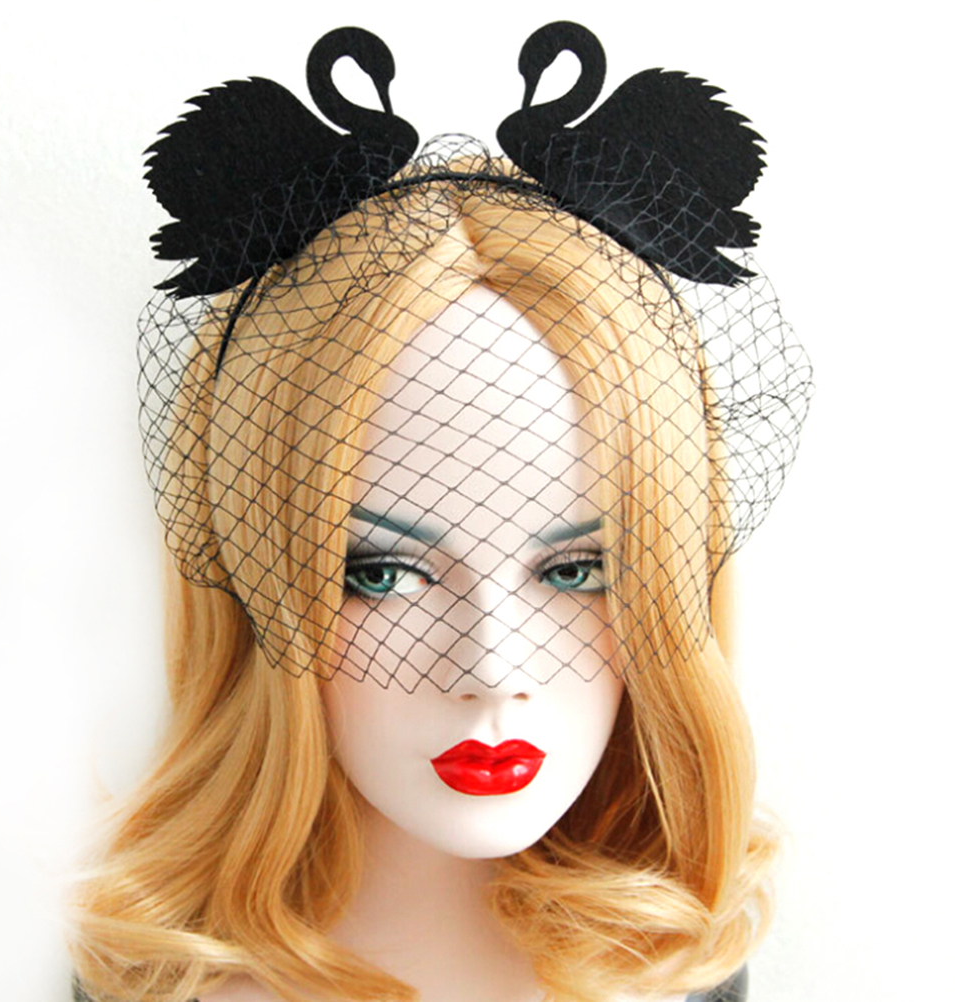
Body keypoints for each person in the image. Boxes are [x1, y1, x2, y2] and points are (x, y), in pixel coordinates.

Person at [70, 171, 780, 1001]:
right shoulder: (147, 982)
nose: (491, 670)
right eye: (382, 575)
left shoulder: (677, 971)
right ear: (254, 580)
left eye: (575, 572)